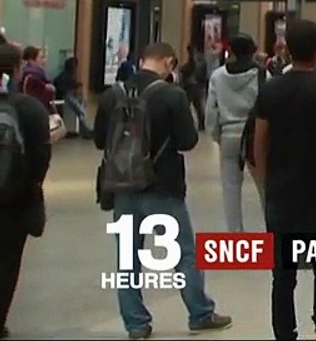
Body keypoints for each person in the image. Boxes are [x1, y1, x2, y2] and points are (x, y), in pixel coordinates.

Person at [94, 42, 231, 339]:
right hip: (163, 186)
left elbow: (98, 140)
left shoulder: (112, 95)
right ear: (169, 63)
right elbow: (187, 141)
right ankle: (200, 313)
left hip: (122, 187)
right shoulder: (172, 95)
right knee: (183, 253)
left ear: (141, 60)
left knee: (128, 257)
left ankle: (136, 323)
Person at [252, 20, 316, 341]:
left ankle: (284, 333)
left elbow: (259, 142)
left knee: (283, 274)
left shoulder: (271, 89)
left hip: (282, 195)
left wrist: (267, 185)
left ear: (287, 49)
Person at [0, 43, 51, 340]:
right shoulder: (29, 107)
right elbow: (41, 155)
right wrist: (31, 183)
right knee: (7, 262)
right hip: (15, 200)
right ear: (17, 69)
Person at [206, 34, 267, 232]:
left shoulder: (218, 76)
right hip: (255, 136)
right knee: (264, 186)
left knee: (230, 188)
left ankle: (236, 234)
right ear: (254, 50)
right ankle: (272, 229)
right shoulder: (263, 75)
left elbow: (211, 110)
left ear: (230, 50)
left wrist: (216, 135)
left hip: (228, 134)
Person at [52, 56, 92, 138]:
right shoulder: (66, 76)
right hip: (64, 96)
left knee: (80, 105)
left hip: (65, 95)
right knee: (80, 109)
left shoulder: (65, 75)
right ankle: (85, 130)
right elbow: (64, 89)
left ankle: (84, 128)